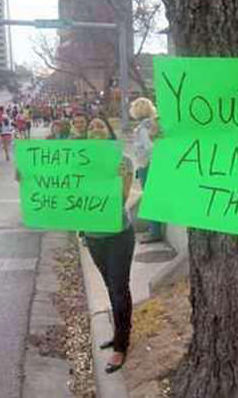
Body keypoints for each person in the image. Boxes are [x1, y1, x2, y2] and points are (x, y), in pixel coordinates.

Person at [84, 115, 136, 374]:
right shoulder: (77, 163)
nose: (94, 129)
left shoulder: (123, 161)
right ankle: (120, 331)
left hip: (118, 235)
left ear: (109, 132)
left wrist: (117, 178)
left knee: (118, 288)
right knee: (109, 285)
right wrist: (25, 175)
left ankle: (121, 345)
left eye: (100, 126)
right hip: (93, 238)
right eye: (90, 126)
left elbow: (123, 199)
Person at [130, 97, 163, 243]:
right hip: (154, 164)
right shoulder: (153, 124)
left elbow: (149, 147)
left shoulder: (142, 128)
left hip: (147, 165)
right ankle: (153, 229)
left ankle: (154, 231)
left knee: (150, 199)